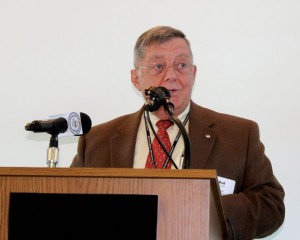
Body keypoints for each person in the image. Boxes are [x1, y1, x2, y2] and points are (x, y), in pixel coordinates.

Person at [71, 26, 285, 239]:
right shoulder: (96, 140)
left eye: (181, 65)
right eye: (158, 66)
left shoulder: (238, 135)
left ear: (193, 73)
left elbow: (271, 207)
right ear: (136, 79)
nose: (171, 76)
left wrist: (210, 209)